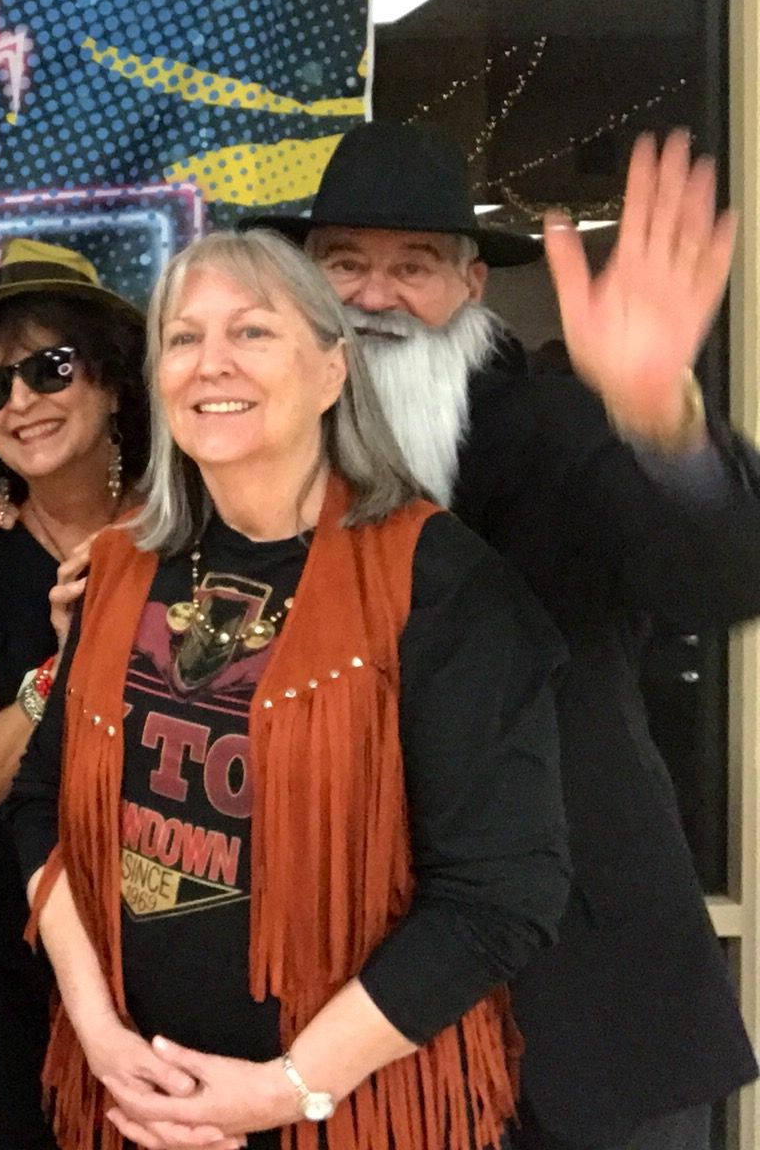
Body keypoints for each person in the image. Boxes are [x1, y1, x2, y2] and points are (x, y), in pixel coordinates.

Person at [249, 121, 760, 1150]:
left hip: (586, 1019)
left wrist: (665, 427)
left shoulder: (554, 430)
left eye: (414, 268)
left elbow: (719, 576)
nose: (377, 298)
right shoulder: (252, 471)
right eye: (344, 265)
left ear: (472, 284)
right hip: (355, 1035)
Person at [6, 229, 570, 1150]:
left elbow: (501, 894)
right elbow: (39, 802)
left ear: (331, 371)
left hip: (357, 1118)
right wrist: (97, 1028)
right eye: (183, 338)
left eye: (253, 332)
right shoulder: (118, 567)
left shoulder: (436, 579)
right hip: (136, 1106)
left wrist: (289, 1088)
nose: (210, 362)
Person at [0, 239, 149, 1150]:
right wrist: (66, 665)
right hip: (5, 945)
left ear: (112, 380)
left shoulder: (189, 525)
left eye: (49, 368)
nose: (19, 402)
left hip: (165, 932)